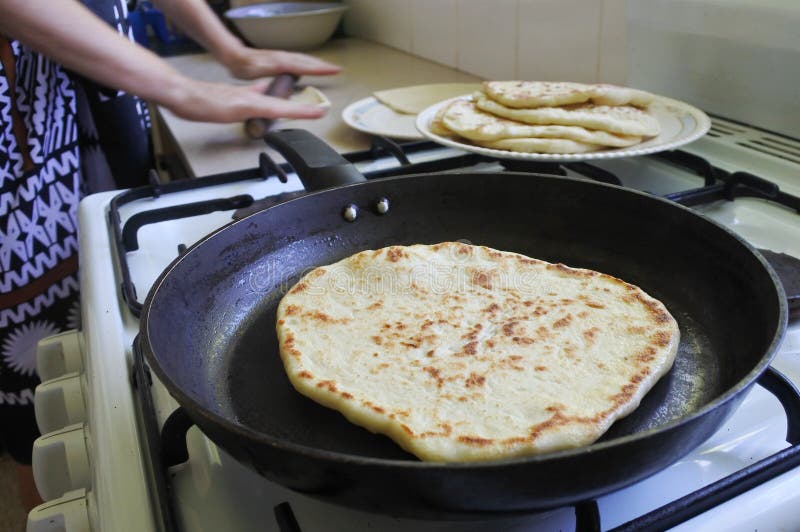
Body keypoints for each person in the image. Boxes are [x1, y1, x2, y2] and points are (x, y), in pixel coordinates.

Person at [0, 0, 340, 512]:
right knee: (30, 371)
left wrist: (229, 49)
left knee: (93, 273)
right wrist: (179, 87)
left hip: (92, 90)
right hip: (20, 120)